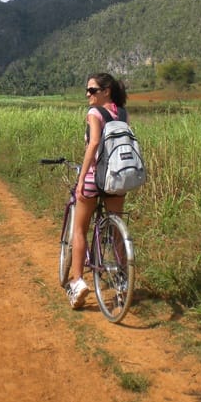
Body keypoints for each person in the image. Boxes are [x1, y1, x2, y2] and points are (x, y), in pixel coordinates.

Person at [66, 72, 128, 309]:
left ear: (106, 91)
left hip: (96, 178)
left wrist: (82, 179)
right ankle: (122, 281)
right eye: (87, 90)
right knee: (116, 230)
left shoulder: (94, 113)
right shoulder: (122, 113)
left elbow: (93, 144)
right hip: (117, 180)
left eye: (92, 90)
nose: (88, 95)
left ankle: (78, 282)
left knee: (80, 230)